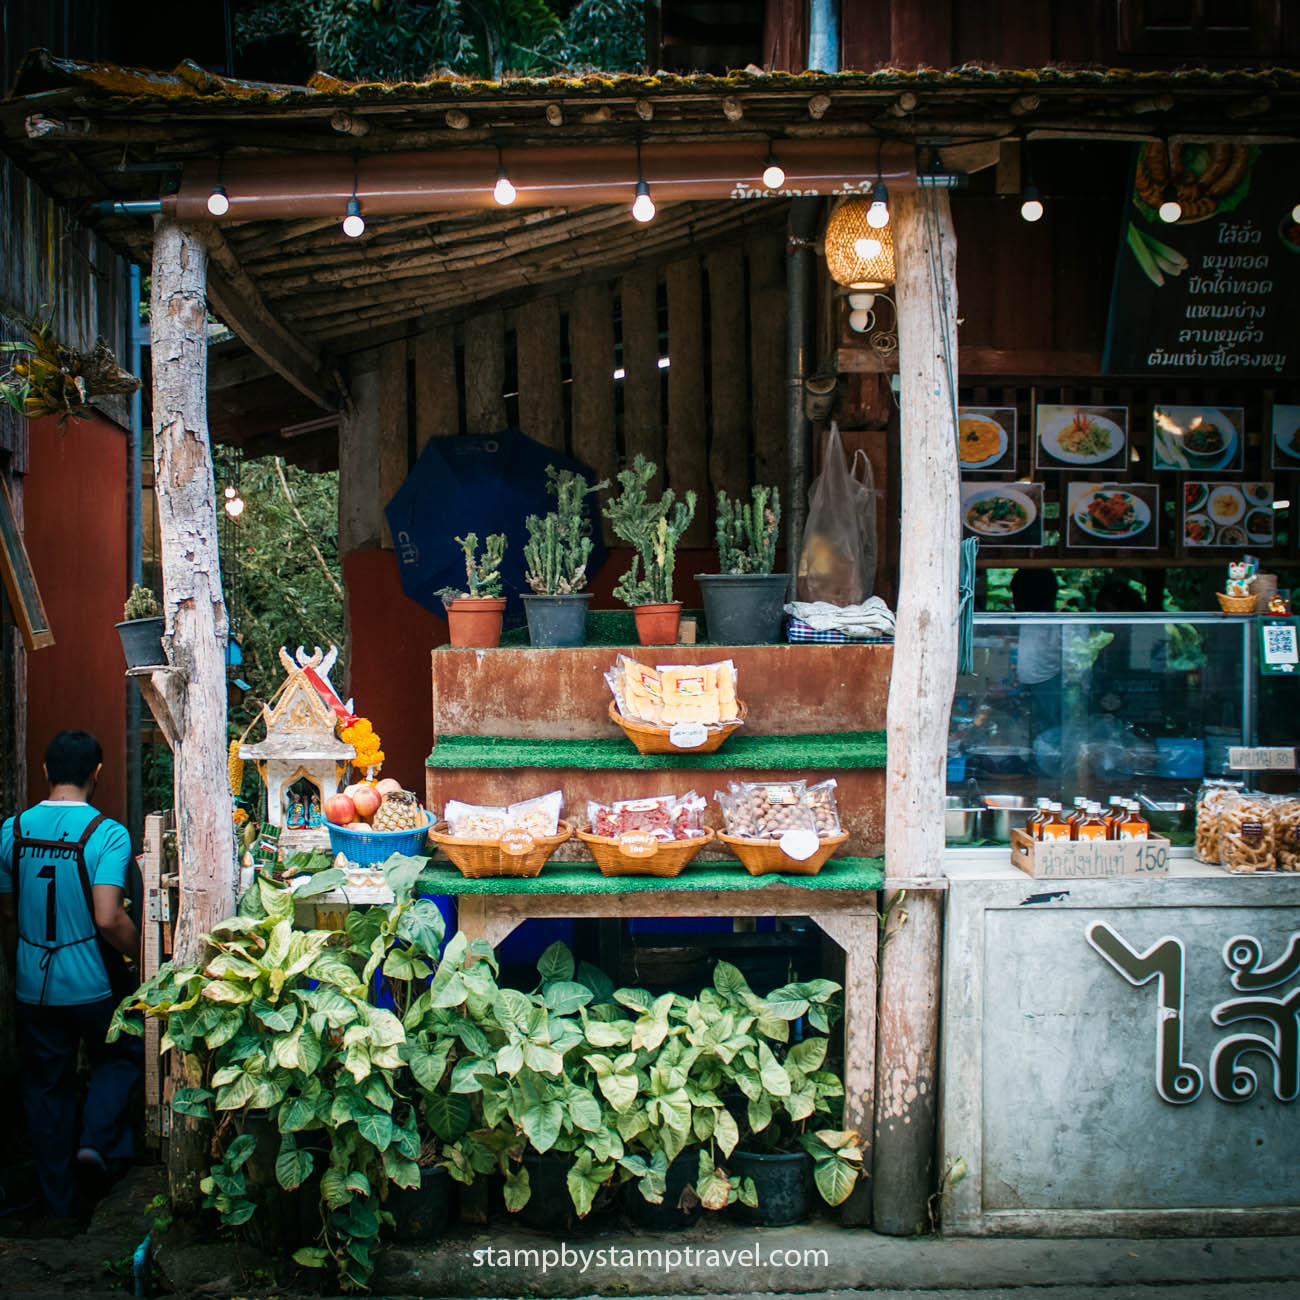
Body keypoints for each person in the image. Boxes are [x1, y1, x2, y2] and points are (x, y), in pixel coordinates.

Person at [0, 730, 142, 1226]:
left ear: (44, 771)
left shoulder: (11, 831)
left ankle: (58, 1208)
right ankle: (96, 1142)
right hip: (91, 986)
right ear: (96, 773)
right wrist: (145, 961)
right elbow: (109, 917)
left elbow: (10, 915)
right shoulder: (107, 833)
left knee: (44, 1090)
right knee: (122, 1056)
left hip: (31, 986)